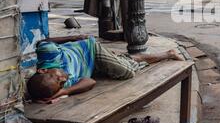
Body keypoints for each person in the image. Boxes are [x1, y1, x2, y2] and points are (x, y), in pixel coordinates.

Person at [27, 34, 183, 103]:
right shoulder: (64, 84)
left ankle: (164, 54)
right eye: (60, 84)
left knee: (127, 72)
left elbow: (42, 42)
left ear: (43, 70)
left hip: (90, 49)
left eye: (56, 77)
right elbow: (90, 81)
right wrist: (64, 91)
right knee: (125, 64)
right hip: (90, 67)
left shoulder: (48, 54)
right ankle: (166, 54)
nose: (63, 78)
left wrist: (74, 37)